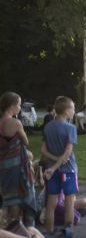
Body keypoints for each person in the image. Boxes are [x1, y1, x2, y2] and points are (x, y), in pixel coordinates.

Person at [41, 96, 78, 235]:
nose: (74, 111)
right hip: (67, 170)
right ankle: (68, 234)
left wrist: (53, 163)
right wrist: (56, 165)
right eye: (73, 109)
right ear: (66, 111)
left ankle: (48, 233)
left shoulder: (48, 127)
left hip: (52, 170)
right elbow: (67, 153)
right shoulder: (71, 128)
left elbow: (43, 151)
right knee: (70, 204)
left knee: (51, 204)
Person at [0, 92, 37, 228]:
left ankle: (6, 230)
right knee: (17, 200)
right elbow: (25, 141)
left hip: (3, 167)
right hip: (16, 168)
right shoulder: (15, 123)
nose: (20, 108)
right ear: (12, 106)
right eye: (19, 105)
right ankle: (18, 231)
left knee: (7, 200)